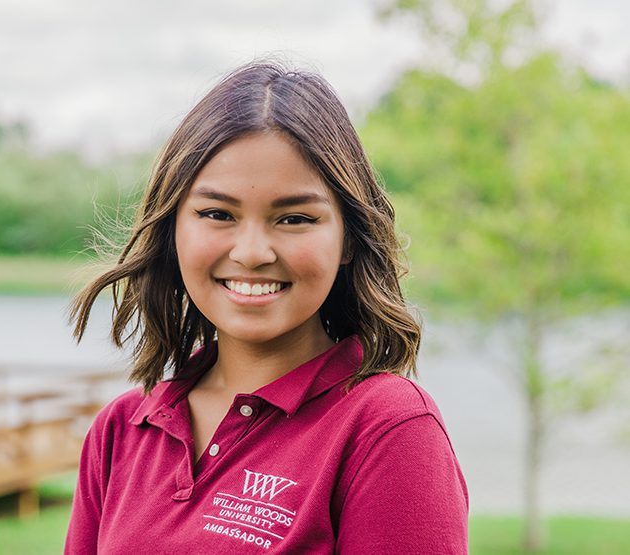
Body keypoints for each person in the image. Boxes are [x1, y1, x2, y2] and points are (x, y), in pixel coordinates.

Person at [63, 60, 469, 554]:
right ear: (173, 229)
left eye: (295, 217)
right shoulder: (121, 431)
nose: (252, 252)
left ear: (348, 239)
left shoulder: (387, 428)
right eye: (217, 213)